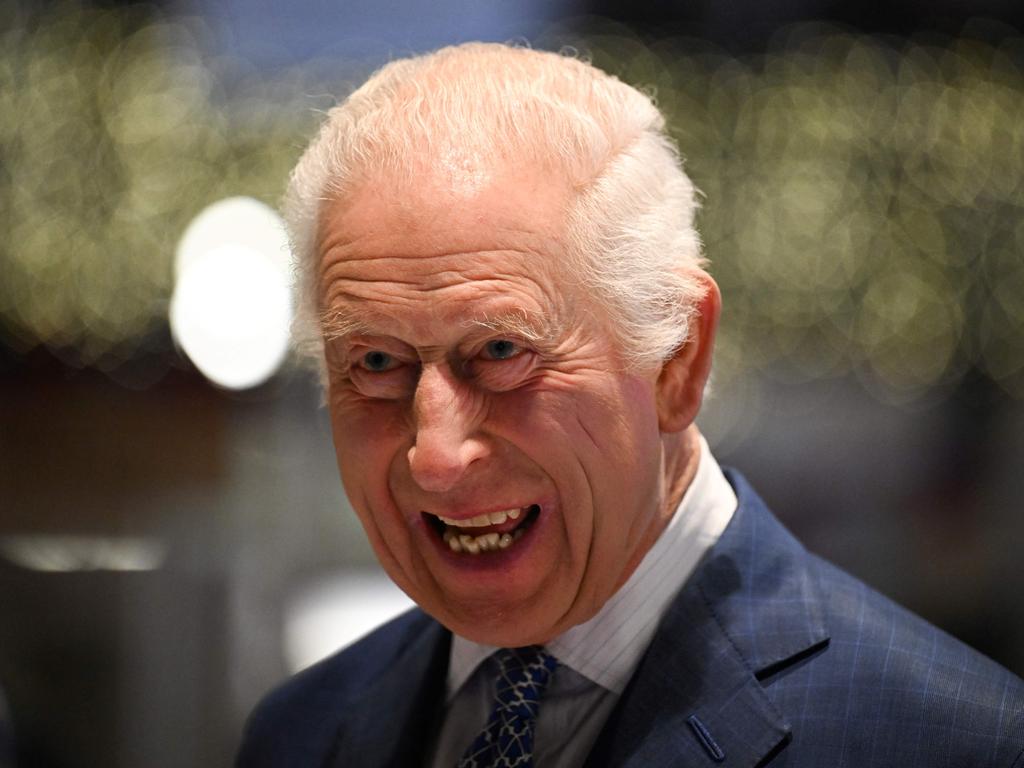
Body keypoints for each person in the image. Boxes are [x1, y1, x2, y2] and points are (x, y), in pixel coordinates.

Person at [237, 43, 1024, 767]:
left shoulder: (959, 742)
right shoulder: (299, 734)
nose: (437, 459)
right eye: (376, 362)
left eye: (503, 352)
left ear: (678, 359)